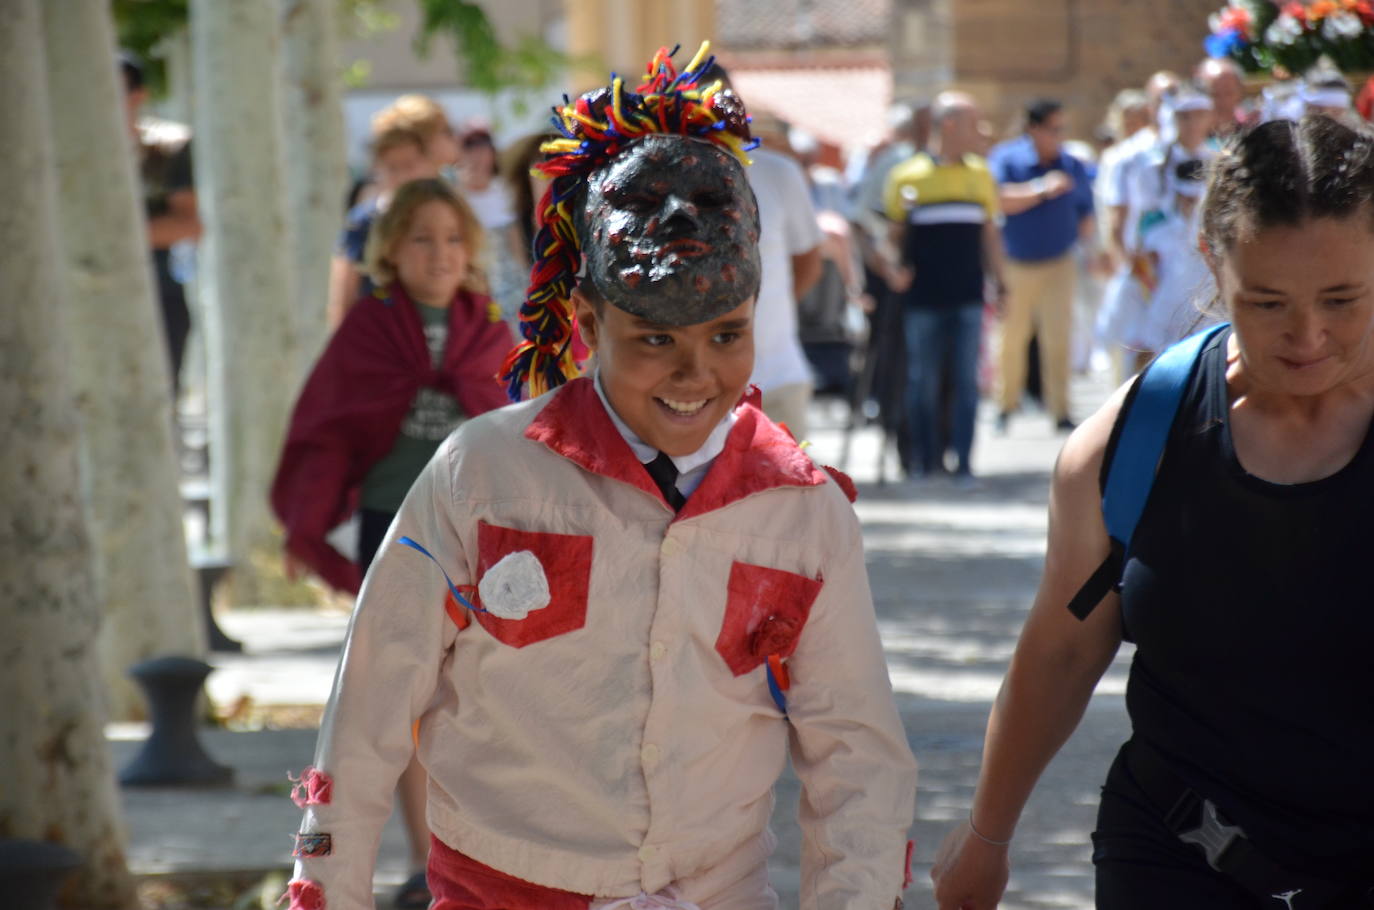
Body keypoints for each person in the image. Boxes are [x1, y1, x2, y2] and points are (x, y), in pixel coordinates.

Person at [283, 45, 917, 910]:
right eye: (654, 338)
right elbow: (367, 714)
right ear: (585, 321)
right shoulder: (484, 475)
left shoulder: (802, 512)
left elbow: (857, 757)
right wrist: (326, 890)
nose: (694, 375)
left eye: (725, 336)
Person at [930, 115, 1374, 908]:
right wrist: (985, 836)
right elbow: (1062, 651)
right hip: (1179, 854)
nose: (1308, 335)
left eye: (1342, 298)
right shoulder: (1135, 442)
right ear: (1212, 263)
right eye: (1267, 302)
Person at [272, 178, 513, 909]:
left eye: (450, 238)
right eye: (420, 238)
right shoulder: (369, 329)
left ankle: (471, 855)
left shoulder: (491, 326)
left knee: (473, 695)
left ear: (470, 247)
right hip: (393, 530)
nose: (438, 253)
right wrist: (307, 520)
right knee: (400, 697)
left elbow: (522, 425)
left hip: (477, 532)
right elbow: (328, 422)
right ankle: (419, 860)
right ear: (390, 251)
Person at [882, 90, 1005, 486]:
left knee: (967, 382)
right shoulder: (906, 175)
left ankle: (964, 464)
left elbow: (989, 235)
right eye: (973, 122)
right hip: (923, 298)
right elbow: (892, 237)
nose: (980, 131)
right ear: (949, 125)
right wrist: (893, 264)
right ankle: (924, 462)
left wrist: (1001, 282)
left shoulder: (981, 174)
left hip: (969, 294)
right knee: (924, 381)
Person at [989, 98, 1096, 432]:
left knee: (1059, 337)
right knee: (1012, 338)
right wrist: (1041, 189)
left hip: (1060, 261)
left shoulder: (1071, 164)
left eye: (1062, 129)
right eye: (1054, 129)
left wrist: (1087, 250)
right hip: (1017, 262)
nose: (1059, 135)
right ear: (1033, 128)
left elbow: (1086, 214)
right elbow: (998, 199)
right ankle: (1005, 407)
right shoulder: (1007, 158)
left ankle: (1060, 410)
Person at [121, 52, 201, 397]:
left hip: (158, 297)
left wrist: (103, 237)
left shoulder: (168, 148)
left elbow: (191, 224)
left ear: (138, 95)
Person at [327, 125, 439, 328]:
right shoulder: (362, 222)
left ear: (427, 163)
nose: (402, 176)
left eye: (409, 165)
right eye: (392, 168)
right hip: (381, 335)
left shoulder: (447, 216)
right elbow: (343, 292)